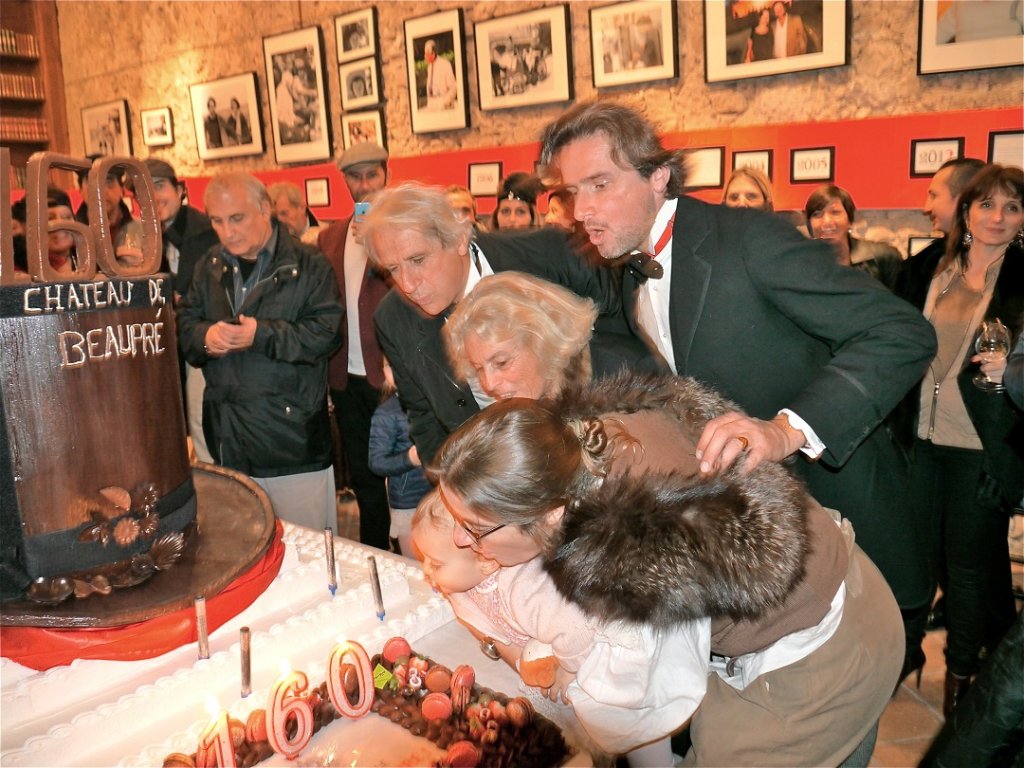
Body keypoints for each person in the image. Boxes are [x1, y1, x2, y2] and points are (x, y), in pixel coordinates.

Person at [539, 100, 937, 690]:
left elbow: (903, 332)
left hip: (854, 532)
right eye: (573, 192)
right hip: (769, 557)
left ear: (658, 176)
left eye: (600, 184)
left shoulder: (750, 241)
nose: (583, 210)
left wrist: (784, 429)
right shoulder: (626, 264)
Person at [435, 371, 904, 767]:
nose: (460, 541)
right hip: (851, 583)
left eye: (475, 528)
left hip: (820, 662)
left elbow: (640, 704)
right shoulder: (575, 443)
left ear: (552, 514)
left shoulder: (629, 552)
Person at [365, 182, 656, 466]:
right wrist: (457, 484)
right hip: (497, 474)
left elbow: (623, 332)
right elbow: (423, 417)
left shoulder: (550, 252)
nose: (407, 284)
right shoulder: (392, 317)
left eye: (417, 259)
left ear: (459, 239)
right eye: (393, 268)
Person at [411, 490, 695, 766]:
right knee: (583, 738)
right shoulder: (464, 586)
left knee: (633, 727)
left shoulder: (524, 586)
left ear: (485, 561)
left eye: (435, 563)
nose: (425, 570)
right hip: (557, 657)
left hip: (600, 650)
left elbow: (576, 627)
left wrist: (569, 668)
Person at [889, 164, 1023, 718]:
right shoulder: (928, 268)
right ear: (966, 212)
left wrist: (1011, 367)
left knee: (968, 573)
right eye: (986, 204)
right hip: (918, 440)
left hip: (982, 447)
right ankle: (905, 657)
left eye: (1012, 207)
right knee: (918, 562)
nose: (997, 217)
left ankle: (963, 685)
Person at [177, 172, 342, 528]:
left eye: (236, 218)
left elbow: (327, 334)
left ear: (265, 210)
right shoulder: (209, 265)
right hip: (229, 440)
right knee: (245, 554)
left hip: (292, 442)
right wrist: (206, 337)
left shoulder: (309, 264)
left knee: (308, 553)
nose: (227, 231)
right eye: (217, 221)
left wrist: (261, 335)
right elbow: (184, 325)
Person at [317, 142, 392, 551]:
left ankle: (416, 550)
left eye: (371, 175)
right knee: (363, 476)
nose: (364, 185)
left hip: (392, 377)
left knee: (405, 474)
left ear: (386, 175)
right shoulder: (329, 237)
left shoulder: (404, 229)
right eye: (355, 177)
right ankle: (376, 550)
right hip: (346, 377)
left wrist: (379, 242)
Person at [143, 158, 220, 463]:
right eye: (144, 191)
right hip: (162, 346)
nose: (154, 196)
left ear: (179, 190)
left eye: (159, 186)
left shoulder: (206, 230)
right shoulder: (142, 236)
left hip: (200, 342)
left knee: (201, 420)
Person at [445, 272, 598, 401]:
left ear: (543, 342)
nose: (489, 384)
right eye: (479, 369)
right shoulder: (513, 420)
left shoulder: (615, 383)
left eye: (501, 363)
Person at [368, 356, 431, 555]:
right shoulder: (386, 413)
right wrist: (409, 459)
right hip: (407, 501)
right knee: (414, 563)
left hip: (439, 495)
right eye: (388, 365)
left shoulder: (433, 401)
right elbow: (376, 462)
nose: (395, 371)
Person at [804, 184, 903, 287]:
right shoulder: (798, 266)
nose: (827, 222)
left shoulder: (883, 257)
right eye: (817, 214)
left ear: (850, 220)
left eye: (835, 212)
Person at [268, 181, 323, 246]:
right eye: (274, 216)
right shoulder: (268, 242)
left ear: (302, 208)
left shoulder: (326, 235)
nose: (279, 220)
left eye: (284, 213)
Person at [45, 186, 78, 275]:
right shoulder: (25, 270)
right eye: (50, 218)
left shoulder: (91, 260)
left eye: (66, 217)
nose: (60, 223)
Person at [423, 39, 457, 109]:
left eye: (428, 53)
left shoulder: (445, 64)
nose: (425, 56)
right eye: (425, 53)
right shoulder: (429, 68)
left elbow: (454, 87)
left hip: (444, 105)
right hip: (432, 106)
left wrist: (445, 102)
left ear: (434, 53)